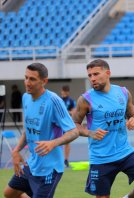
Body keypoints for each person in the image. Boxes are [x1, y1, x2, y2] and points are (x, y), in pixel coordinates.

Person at [71, 59, 134, 198]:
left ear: (108, 73)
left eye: (96, 74)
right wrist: (89, 133)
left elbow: (133, 114)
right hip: (101, 158)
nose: (92, 78)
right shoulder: (85, 99)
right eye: (90, 75)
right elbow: (74, 125)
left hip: (125, 152)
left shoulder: (123, 93)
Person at [3, 63, 79, 198]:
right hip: (32, 163)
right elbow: (28, 130)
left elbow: (74, 132)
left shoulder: (53, 101)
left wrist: (53, 143)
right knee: (9, 193)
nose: (27, 82)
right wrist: (16, 151)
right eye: (26, 78)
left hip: (49, 168)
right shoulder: (26, 97)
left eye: (32, 79)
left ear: (44, 81)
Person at [60, 85, 76, 168]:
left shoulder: (71, 101)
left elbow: (73, 113)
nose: (64, 93)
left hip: (66, 124)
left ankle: (66, 160)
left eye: (66, 91)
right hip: (58, 125)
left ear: (68, 92)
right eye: (63, 91)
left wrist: (65, 112)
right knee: (56, 141)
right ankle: (58, 160)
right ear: (61, 91)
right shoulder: (58, 100)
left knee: (67, 142)